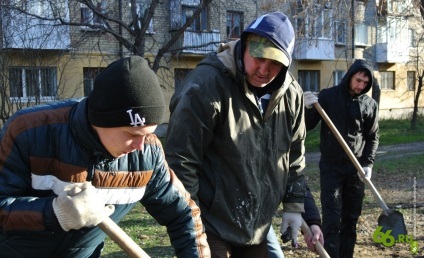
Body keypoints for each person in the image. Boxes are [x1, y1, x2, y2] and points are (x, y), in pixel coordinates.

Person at [0, 56, 210, 257]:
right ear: (100, 119)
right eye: (132, 134)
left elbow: (184, 216)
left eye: (148, 134)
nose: (140, 146)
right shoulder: (29, 132)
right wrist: (55, 213)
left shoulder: (148, 153)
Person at [165, 11, 313, 257]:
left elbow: (294, 154)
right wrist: (190, 222)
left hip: (257, 224)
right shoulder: (206, 86)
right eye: (258, 58)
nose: (263, 70)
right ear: (244, 46)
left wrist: (294, 205)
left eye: (274, 63)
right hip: (209, 222)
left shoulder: (291, 95)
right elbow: (181, 161)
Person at [303, 59, 379, 258]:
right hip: (332, 168)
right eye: (358, 80)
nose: (360, 86)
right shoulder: (328, 97)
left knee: (350, 219)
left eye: (365, 83)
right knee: (331, 219)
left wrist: (368, 164)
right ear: (350, 75)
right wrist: (308, 108)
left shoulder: (370, 104)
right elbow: (308, 125)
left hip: (356, 171)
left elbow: (372, 137)